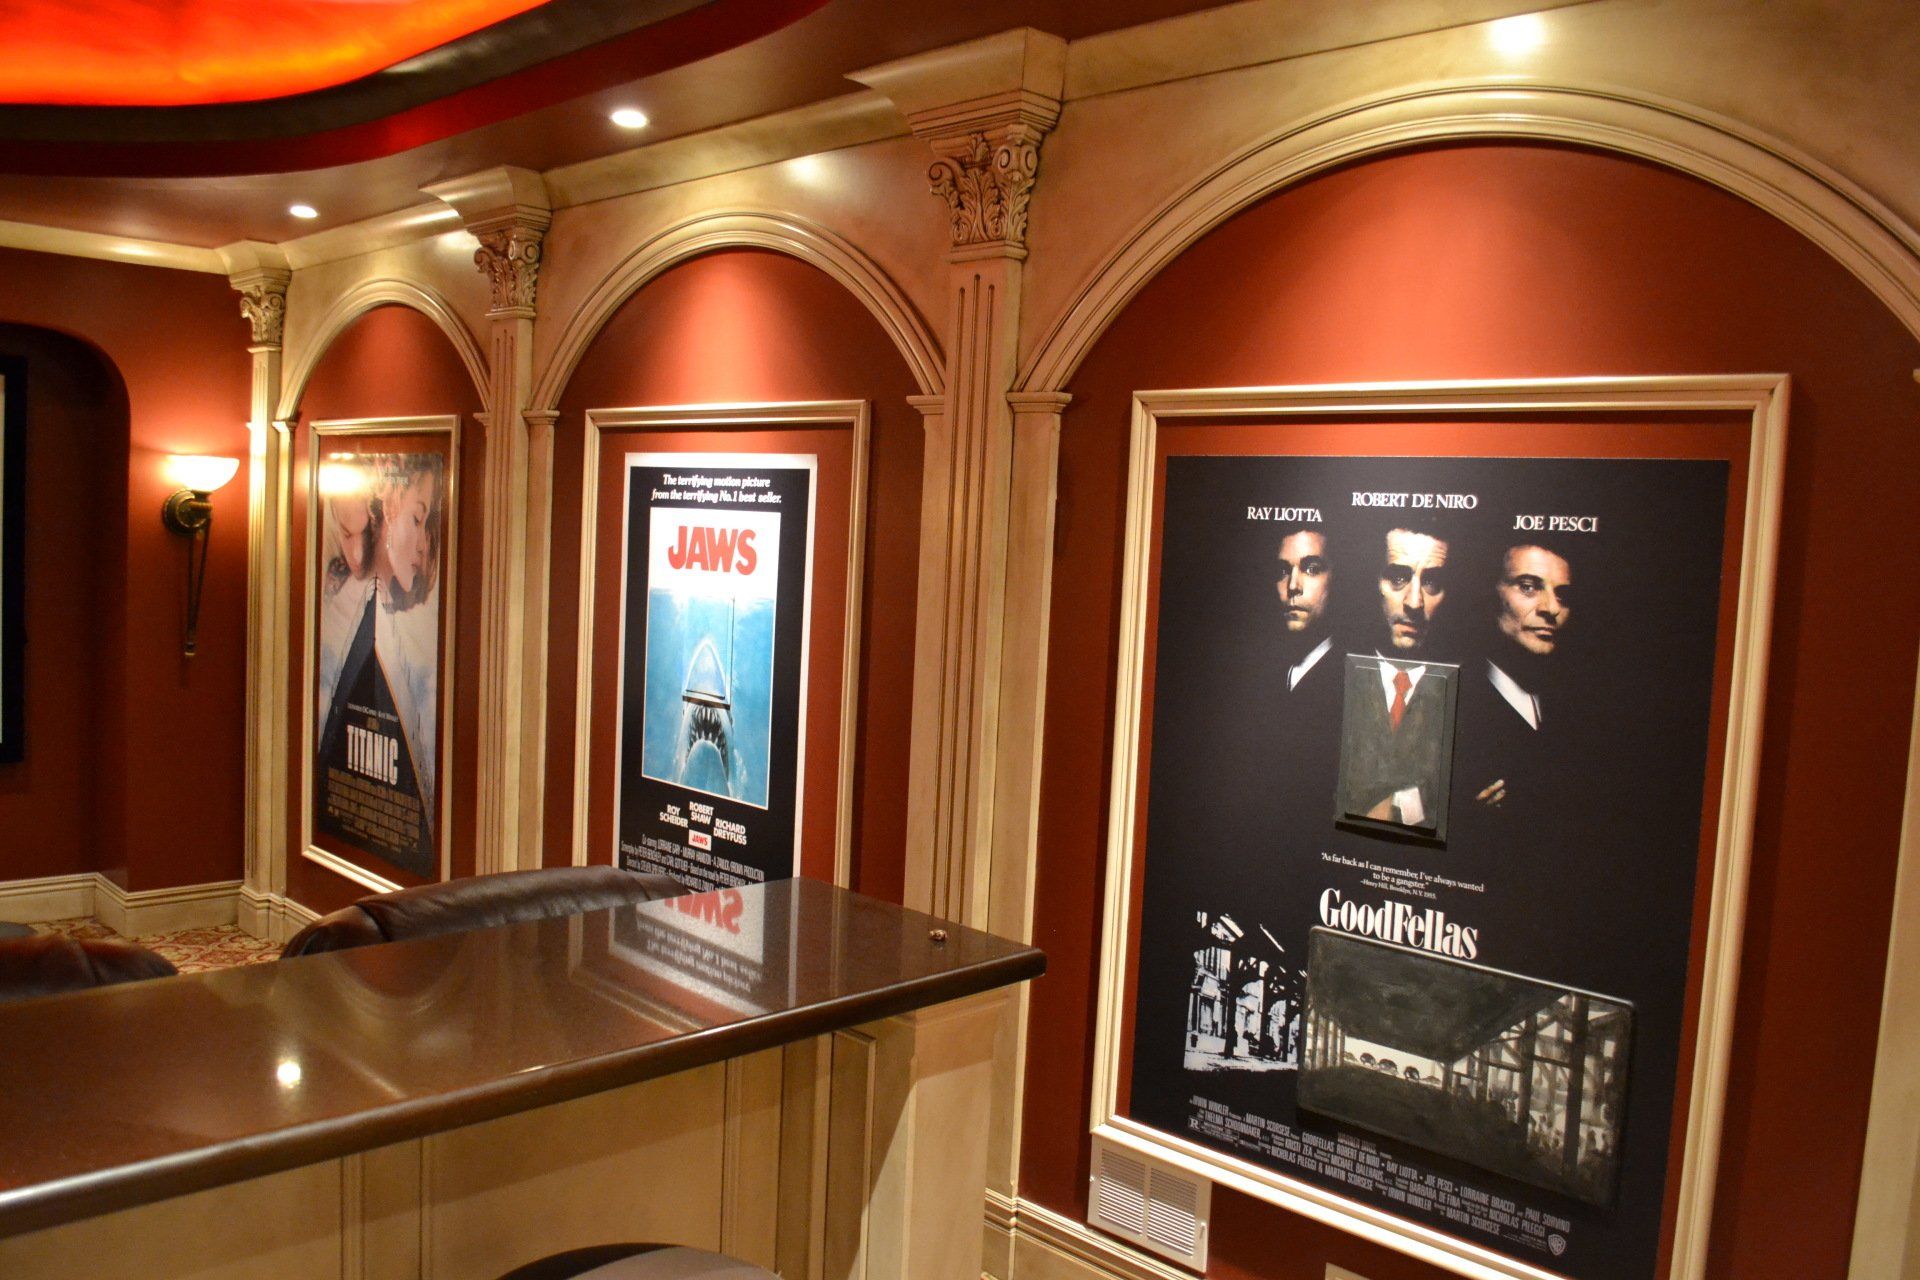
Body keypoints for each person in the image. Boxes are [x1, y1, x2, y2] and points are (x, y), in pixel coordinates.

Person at [313, 451, 446, 877]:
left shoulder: (410, 625)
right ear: (388, 505)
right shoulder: (343, 597)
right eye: (417, 519)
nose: (423, 544)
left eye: (427, 526)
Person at [1337, 525, 1455, 832]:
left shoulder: (1473, 700)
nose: (1415, 602)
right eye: (1399, 578)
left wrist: (1401, 805)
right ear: (1373, 581)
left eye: (1431, 582)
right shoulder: (1327, 680)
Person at [1470, 541, 1573, 812]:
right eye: (1528, 587)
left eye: (1562, 595)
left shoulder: (1577, 708)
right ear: (1491, 595)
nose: (1551, 608)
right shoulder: (1459, 699)